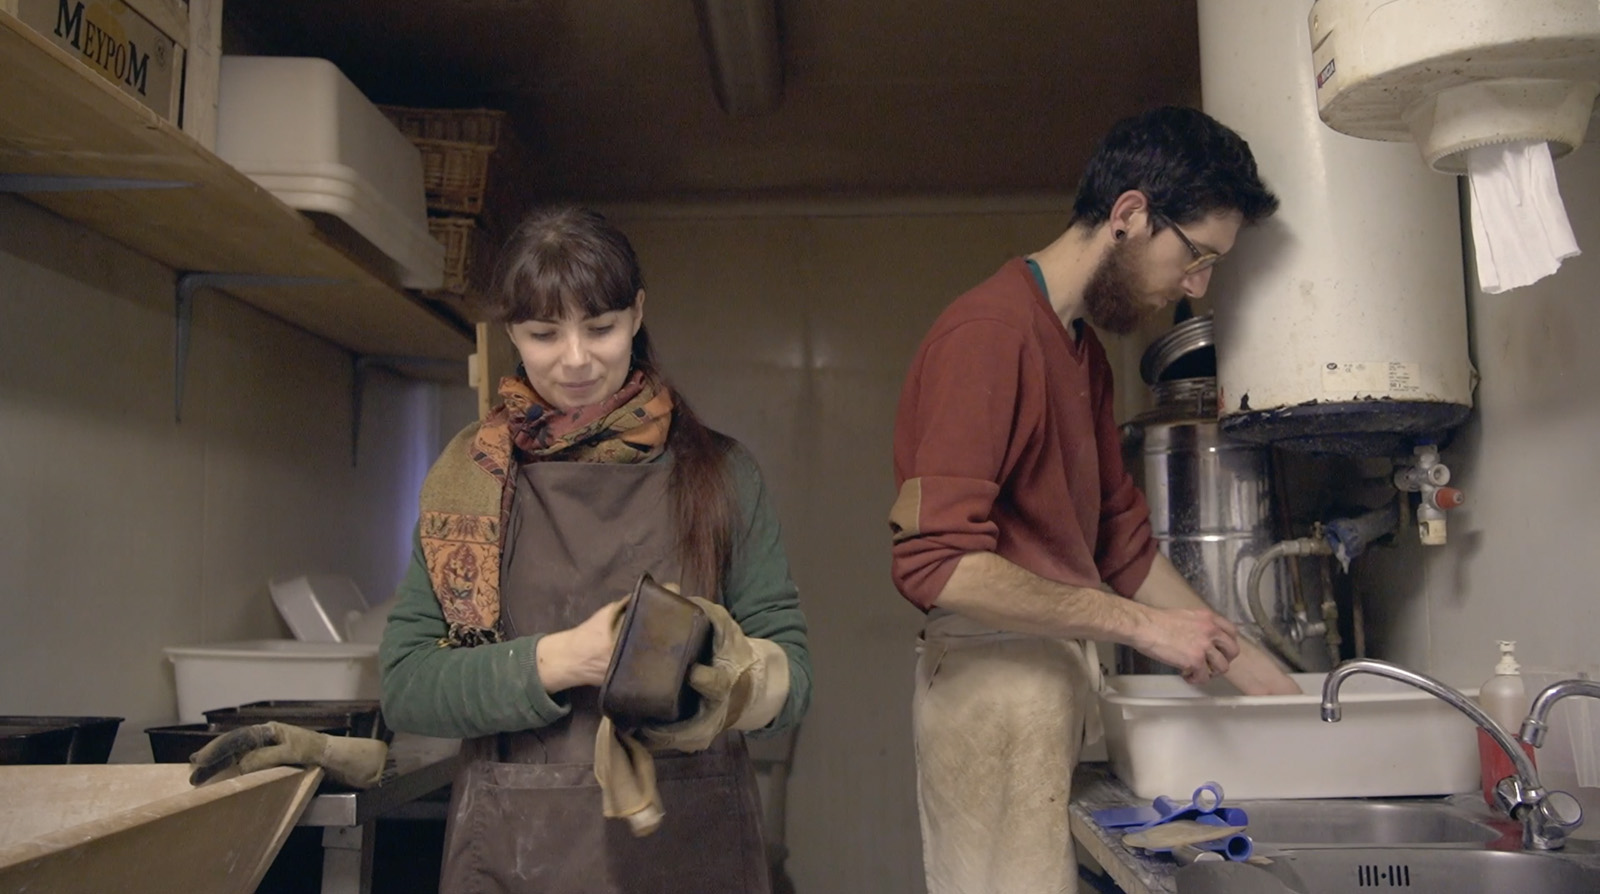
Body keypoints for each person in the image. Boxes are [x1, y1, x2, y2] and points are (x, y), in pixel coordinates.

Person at [887, 105, 1301, 894]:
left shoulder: (1082, 351)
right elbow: (939, 565)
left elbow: (1121, 545)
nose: (1196, 288)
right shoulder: (989, 334)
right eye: (1197, 257)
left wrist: (1256, 670)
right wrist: (1144, 627)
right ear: (1131, 214)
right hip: (991, 692)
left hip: (1055, 681)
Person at [380, 206, 811, 894]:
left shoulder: (724, 475)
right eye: (544, 333)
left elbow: (796, 680)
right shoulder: (471, 482)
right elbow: (407, 688)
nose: (576, 358)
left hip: (691, 845)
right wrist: (563, 659)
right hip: (517, 850)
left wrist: (733, 681)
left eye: (601, 328)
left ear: (637, 315)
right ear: (511, 332)